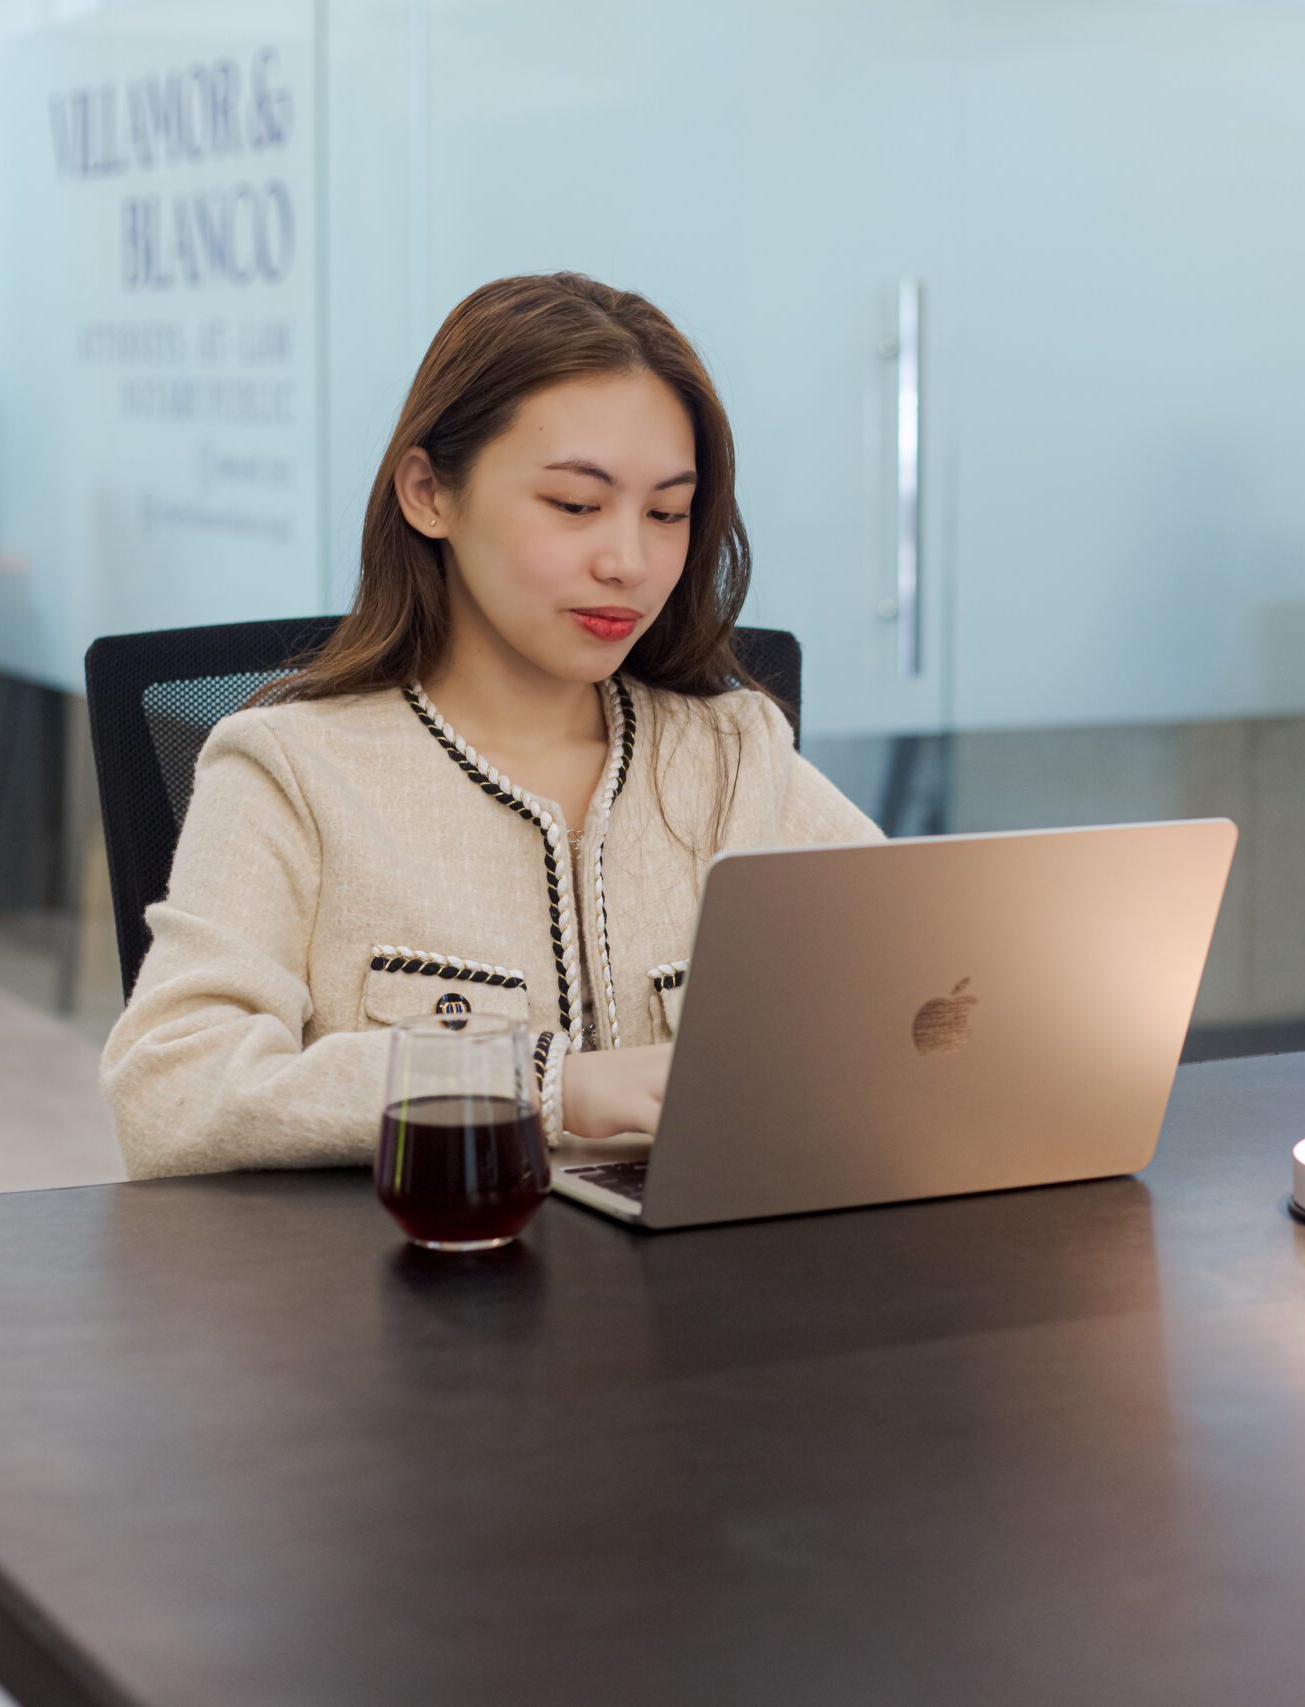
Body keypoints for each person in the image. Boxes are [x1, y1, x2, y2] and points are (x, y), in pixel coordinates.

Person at [101, 274, 881, 1178]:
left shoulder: (735, 755)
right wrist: (537, 1084)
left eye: (668, 513)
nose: (629, 560)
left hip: (701, 1299)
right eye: (576, 505)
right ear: (429, 493)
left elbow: (926, 977)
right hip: (411, 1298)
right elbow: (167, 1087)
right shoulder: (290, 769)